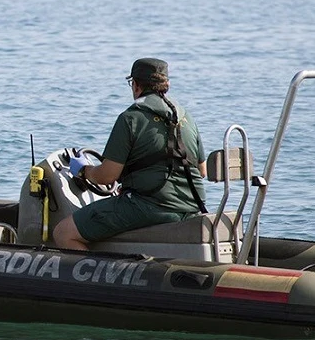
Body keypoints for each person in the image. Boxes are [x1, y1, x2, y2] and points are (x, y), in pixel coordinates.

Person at [53, 58, 207, 251]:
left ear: (135, 85)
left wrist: (84, 171)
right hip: (191, 206)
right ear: (165, 85)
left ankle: (97, 280)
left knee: (63, 233)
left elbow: (107, 176)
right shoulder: (185, 116)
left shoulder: (131, 118)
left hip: (151, 206)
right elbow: (202, 171)